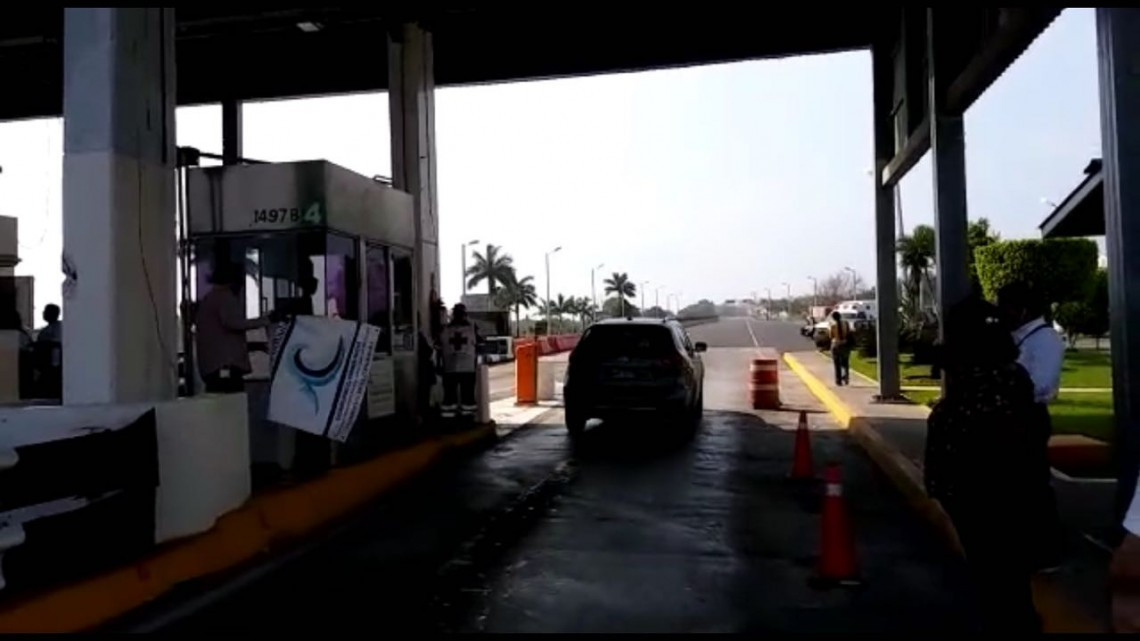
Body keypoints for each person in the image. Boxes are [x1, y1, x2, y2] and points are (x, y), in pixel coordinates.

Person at [925, 296, 1041, 631]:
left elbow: (949, 456)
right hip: (1014, 492)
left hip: (977, 495)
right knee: (1009, 581)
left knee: (989, 579)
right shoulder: (1014, 378)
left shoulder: (971, 388)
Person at [997, 281, 1066, 572]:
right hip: (1009, 416)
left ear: (1022, 309)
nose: (1003, 313)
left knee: (1033, 484)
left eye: (1007, 307)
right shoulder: (1014, 336)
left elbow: (1044, 385)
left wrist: (1010, 385)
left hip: (1029, 417)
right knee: (1012, 485)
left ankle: (1045, 553)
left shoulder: (1045, 339)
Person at [194, 262, 268, 393]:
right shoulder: (224, 297)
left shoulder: (209, 298)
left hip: (212, 368)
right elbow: (234, 323)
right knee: (233, 405)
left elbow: (222, 338)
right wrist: (266, 320)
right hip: (225, 368)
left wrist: (255, 346)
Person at [439, 303, 480, 421]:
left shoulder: (445, 329)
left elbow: (438, 346)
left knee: (449, 397)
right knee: (467, 397)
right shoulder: (472, 328)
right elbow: (480, 344)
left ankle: (449, 420)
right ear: (465, 315)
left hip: (449, 367)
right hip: (467, 368)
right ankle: (467, 420)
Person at [33, 303, 63, 399]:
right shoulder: (45, 331)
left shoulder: (57, 329)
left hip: (54, 365)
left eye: (46, 311)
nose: (43, 313)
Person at [828, 311, 852, 386]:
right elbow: (849, 333)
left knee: (837, 363)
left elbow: (831, 336)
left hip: (836, 345)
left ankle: (838, 380)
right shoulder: (845, 323)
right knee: (845, 362)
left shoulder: (832, 325)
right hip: (845, 344)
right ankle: (846, 377)